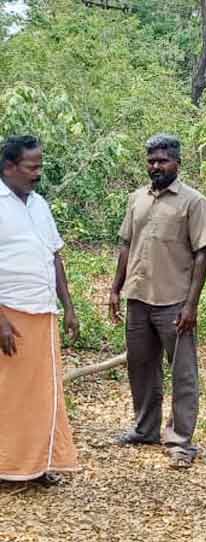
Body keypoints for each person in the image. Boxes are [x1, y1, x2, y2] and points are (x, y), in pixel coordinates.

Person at [109, 134, 206, 469]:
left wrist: (191, 304)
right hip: (138, 297)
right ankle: (145, 428)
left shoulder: (192, 202)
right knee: (141, 367)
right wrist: (115, 288)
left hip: (174, 301)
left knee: (182, 373)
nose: (156, 166)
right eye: (152, 160)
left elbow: (202, 253)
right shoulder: (136, 199)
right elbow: (126, 245)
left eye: (163, 160)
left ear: (177, 163)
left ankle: (181, 441)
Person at [0, 135, 80, 484]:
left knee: (44, 395)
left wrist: (70, 308)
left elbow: (54, 257)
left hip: (43, 313)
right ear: (9, 167)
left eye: (40, 166)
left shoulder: (40, 205)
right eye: (32, 167)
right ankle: (7, 466)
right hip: (10, 314)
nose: (38, 174)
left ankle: (38, 464)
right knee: (9, 395)